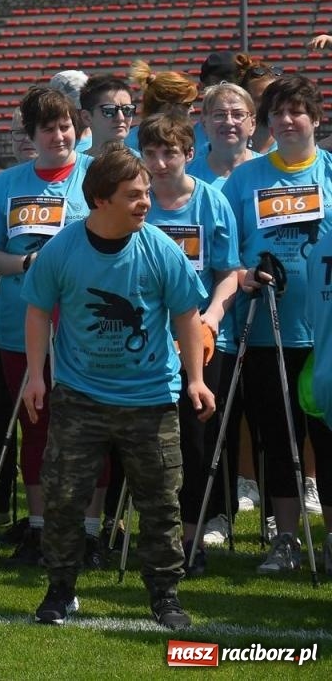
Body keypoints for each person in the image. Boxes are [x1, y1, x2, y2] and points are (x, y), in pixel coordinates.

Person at [22, 145, 214, 630]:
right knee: (64, 499)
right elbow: (38, 310)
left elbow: (187, 316)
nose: (145, 202)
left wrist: (195, 379)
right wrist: (35, 374)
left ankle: (165, 596)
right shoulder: (62, 249)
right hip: (79, 398)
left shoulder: (161, 249)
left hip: (150, 399)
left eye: (146, 192)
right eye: (133, 195)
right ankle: (60, 591)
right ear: (100, 200)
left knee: (160, 502)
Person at [221, 75, 332, 573]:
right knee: (277, 435)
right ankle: (285, 538)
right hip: (266, 331)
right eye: (277, 114)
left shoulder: (330, 172)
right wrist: (248, 275)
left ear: (316, 118)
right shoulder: (244, 180)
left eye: (296, 112)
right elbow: (228, 258)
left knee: (327, 440)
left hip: (326, 336)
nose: (287, 122)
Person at [0, 87, 91, 564]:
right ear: (31, 134)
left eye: (65, 126)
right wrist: (28, 263)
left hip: (87, 329)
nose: (58, 136)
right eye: (48, 128)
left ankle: (87, 529)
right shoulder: (1, 186)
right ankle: (41, 527)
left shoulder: (94, 176)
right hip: (19, 327)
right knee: (36, 426)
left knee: (89, 429)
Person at [139, 113, 241, 576]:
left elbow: (228, 273)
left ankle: (192, 538)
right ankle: (150, 533)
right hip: (142, 341)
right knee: (145, 443)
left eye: (170, 153)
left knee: (195, 443)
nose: (160, 163)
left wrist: (214, 315)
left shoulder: (212, 203)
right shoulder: (136, 204)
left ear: (188, 154)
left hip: (198, 339)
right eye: (152, 153)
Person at [187, 82, 257, 187]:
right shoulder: (187, 176)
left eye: (238, 114)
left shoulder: (271, 170)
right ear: (204, 123)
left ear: (252, 124)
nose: (229, 122)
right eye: (219, 115)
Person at [125, 61, 201, 157]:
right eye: (188, 104)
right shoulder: (130, 147)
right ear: (168, 107)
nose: (193, 109)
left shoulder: (189, 139)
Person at [78, 75, 136, 159]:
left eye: (127, 109)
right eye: (109, 110)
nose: (121, 118)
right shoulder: (74, 168)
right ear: (86, 117)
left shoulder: (145, 164)